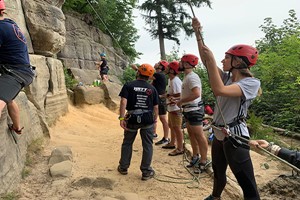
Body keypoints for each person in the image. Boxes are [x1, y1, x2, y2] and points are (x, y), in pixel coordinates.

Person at [192, 18, 261, 199]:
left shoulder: (251, 83)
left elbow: (219, 90)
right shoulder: (227, 77)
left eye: (227, 57)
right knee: (218, 171)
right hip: (220, 133)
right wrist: (198, 33)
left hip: (235, 136)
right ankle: (215, 197)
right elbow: (206, 60)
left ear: (238, 62)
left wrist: (213, 57)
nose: (223, 60)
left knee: (246, 182)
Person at [118, 63, 159, 181]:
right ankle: (146, 171)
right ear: (149, 76)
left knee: (127, 142)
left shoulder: (129, 85)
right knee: (147, 145)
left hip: (132, 118)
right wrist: (155, 120)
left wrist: (121, 118)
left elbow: (123, 102)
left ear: (138, 72)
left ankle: (123, 167)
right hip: (147, 119)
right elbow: (156, 107)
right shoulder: (152, 88)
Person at [0, 0, 35, 135]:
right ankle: (17, 127)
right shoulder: (10, 24)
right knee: (8, 97)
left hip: (15, 73)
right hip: (22, 71)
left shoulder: (1, 28)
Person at [174, 54, 209, 171]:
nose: (179, 63)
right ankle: (195, 156)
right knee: (192, 134)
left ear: (187, 64)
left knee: (199, 135)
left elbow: (196, 94)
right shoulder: (187, 76)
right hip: (189, 109)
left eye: (181, 61)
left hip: (194, 110)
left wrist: (180, 101)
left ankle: (204, 160)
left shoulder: (192, 77)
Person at [164, 61, 184, 156]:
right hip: (172, 107)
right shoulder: (170, 80)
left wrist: (171, 97)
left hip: (176, 107)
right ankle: (172, 143)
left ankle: (180, 148)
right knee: (172, 126)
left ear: (172, 70)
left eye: (168, 67)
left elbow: (180, 94)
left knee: (177, 127)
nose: (166, 68)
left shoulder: (176, 81)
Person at [152, 60, 170, 145]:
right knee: (159, 117)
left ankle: (164, 137)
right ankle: (155, 134)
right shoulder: (160, 75)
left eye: (158, 64)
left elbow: (146, 75)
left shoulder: (158, 74)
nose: (156, 63)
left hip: (159, 98)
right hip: (160, 98)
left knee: (160, 118)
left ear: (161, 67)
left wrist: (137, 69)